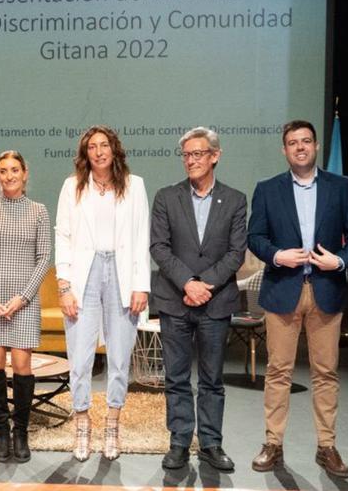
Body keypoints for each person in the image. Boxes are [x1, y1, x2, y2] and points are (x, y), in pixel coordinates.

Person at [247, 120, 348, 477]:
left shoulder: (341, 187)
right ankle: (273, 443)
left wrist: (341, 260)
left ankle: (326, 447)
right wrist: (276, 255)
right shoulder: (267, 189)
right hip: (283, 289)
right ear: (284, 150)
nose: (300, 147)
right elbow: (256, 236)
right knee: (278, 371)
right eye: (292, 142)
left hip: (326, 291)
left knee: (326, 372)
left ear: (315, 147)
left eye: (306, 141)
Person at [150, 127, 246, 471]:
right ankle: (178, 441)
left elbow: (236, 253)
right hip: (174, 300)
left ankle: (210, 443)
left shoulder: (235, 199)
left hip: (216, 302)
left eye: (198, 154)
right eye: (186, 155)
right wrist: (188, 283)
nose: (191, 160)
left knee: (211, 379)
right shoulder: (166, 196)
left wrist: (205, 284)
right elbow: (159, 247)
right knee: (176, 378)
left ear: (215, 156)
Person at [55, 125, 150, 461]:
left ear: (114, 149)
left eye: (104, 145)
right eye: (92, 146)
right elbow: (63, 236)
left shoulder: (134, 185)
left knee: (119, 357)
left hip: (123, 275)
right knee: (80, 357)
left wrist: (141, 285)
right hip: (85, 276)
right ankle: (82, 424)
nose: (98, 151)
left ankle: (112, 424)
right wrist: (64, 286)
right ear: (85, 154)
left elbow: (141, 237)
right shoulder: (72, 187)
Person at [0, 150, 51, 463]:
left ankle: (21, 431)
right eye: (3, 171)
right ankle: (1, 431)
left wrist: (23, 297)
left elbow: (44, 257)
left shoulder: (39, 211)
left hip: (23, 301)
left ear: (25, 172)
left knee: (21, 366)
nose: (9, 176)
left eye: (14, 169)